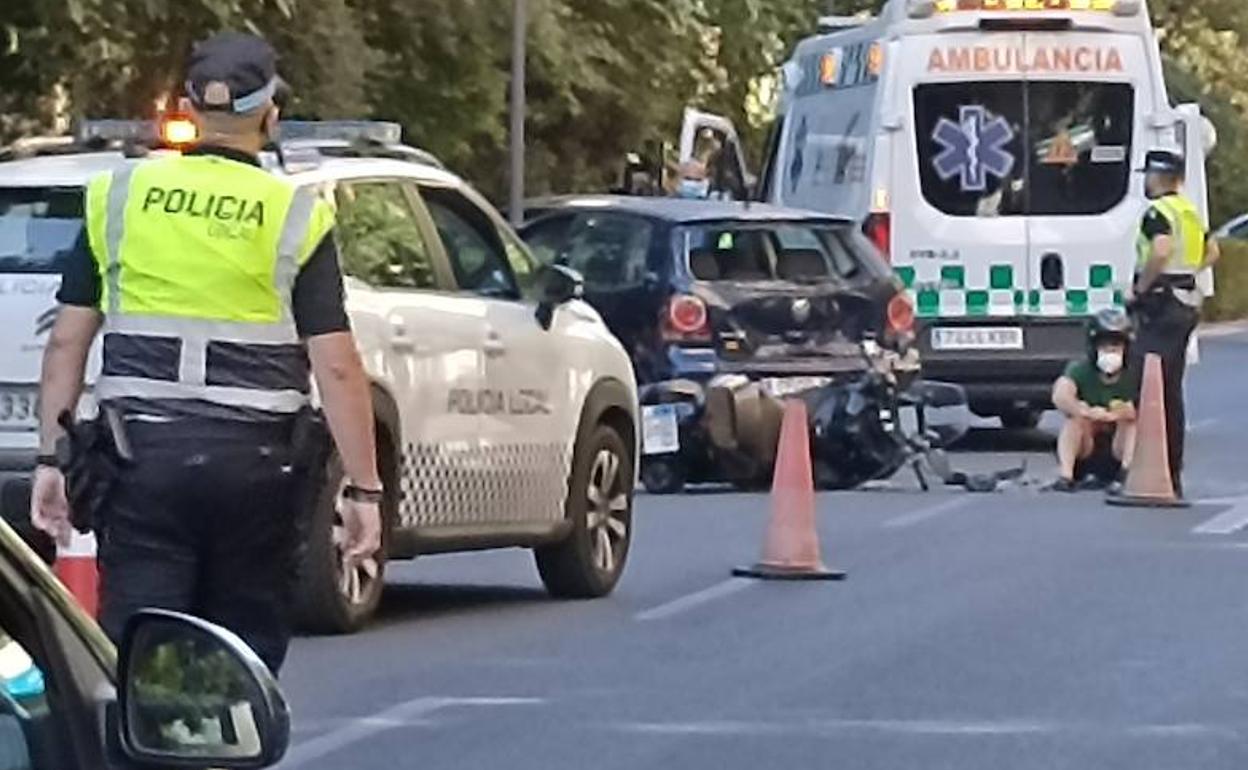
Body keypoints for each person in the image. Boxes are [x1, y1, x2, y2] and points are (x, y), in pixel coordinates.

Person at [28, 32, 382, 672]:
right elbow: (336, 365)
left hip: (141, 466)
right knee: (240, 660)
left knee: (143, 652)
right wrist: (365, 491)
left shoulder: (120, 197)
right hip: (258, 471)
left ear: (187, 108)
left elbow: (66, 343)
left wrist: (52, 460)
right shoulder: (294, 213)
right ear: (270, 114)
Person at [1129, 150, 1221, 497]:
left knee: (1149, 386)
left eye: (1148, 175)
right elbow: (1213, 251)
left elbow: (1161, 249)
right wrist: (1188, 274)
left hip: (1161, 303)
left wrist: (1144, 286)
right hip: (1185, 301)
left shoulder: (1158, 213)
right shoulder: (1188, 211)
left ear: (1156, 176)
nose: (1145, 181)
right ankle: (1171, 474)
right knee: (1170, 389)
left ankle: (1151, 473)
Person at [1051, 309, 1138, 492]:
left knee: (1131, 423)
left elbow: (1140, 408)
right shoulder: (1080, 369)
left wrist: (1114, 415)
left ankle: (1126, 473)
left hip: (1118, 447)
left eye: (1116, 347)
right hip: (1087, 448)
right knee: (1073, 421)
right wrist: (1083, 411)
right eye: (1105, 347)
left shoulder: (1135, 374)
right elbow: (1060, 395)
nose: (1110, 353)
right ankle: (1066, 475)